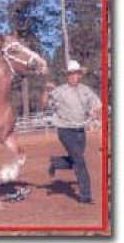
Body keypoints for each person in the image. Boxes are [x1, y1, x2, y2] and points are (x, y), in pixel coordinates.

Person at [41, 59, 102, 204]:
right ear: (67, 75)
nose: (74, 76)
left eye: (76, 74)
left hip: (80, 130)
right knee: (80, 161)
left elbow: (98, 105)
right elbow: (43, 106)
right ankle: (85, 195)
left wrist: (94, 113)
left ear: (80, 75)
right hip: (65, 130)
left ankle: (56, 162)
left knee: (76, 159)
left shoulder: (86, 91)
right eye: (71, 74)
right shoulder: (59, 91)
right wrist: (46, 91)